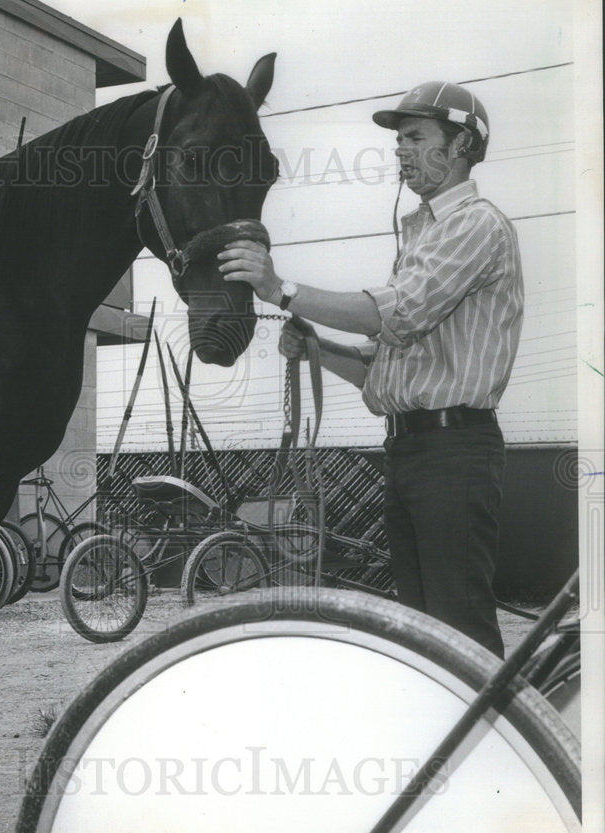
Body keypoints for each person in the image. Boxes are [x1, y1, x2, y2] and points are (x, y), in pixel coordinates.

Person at [217, 82, 524, 658]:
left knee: (460, 630)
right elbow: (383, 372)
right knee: (420, 631)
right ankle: (445, 743)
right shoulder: (423, 232)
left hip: (454, 449)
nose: (400, 151)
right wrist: (317, 349)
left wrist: (279, 289)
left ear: (459, 145)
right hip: (413, 452)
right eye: (399, 140)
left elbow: (394, 313)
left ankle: (488, 744)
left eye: (415, 137)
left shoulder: (475, 225)